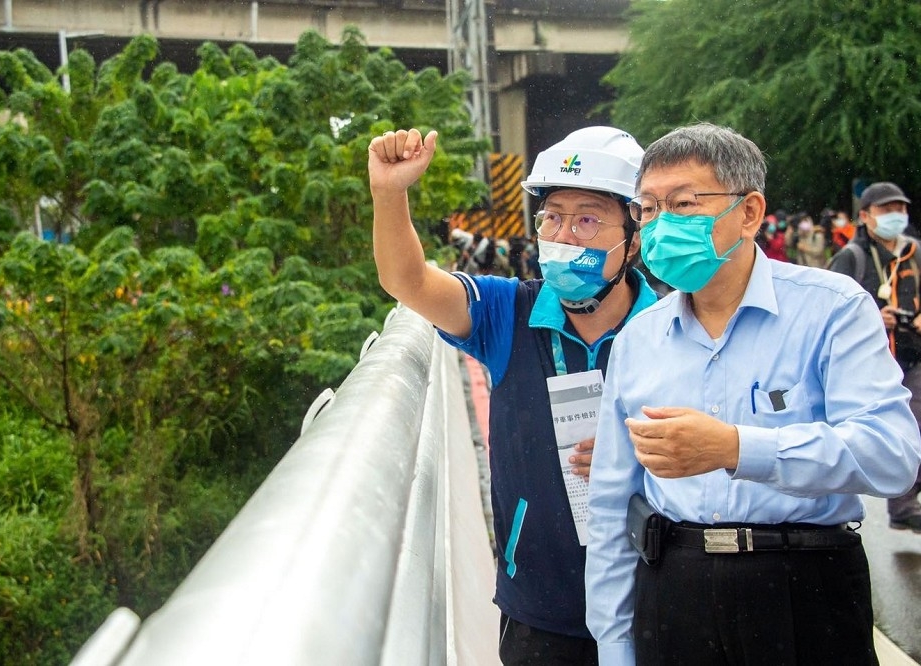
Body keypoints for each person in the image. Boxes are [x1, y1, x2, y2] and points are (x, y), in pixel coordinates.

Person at [583, 123, 921, 666]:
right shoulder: (638, 340)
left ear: (748, 212)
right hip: (675, 588)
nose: (661, 223)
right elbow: (610, 502)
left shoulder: (831, 310)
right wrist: (615, 643)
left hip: (805, 588)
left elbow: (892, 456)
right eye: (646, 209)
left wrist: (738, 449)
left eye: (684, 203)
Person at [369, 125, 658, 665]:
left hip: (657, 603)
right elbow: (407, 280)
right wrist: (390, 194)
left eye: (589, 218)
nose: (564, 234)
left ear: (634, 235)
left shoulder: (671, 330)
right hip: (541, 613)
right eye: (552, 216)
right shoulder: (509, 315)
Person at [828, 181, 921, 533]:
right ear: (865, 216)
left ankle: (904, 501)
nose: (896, 215)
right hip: (870, 360)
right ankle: (902, 504)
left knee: (916, 427)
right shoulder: (852, 256)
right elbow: (829, 308)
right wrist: (872, 317)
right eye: (886, 210)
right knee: (896, 429)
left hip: (913, 353)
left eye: (900, 208)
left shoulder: (915, 252)